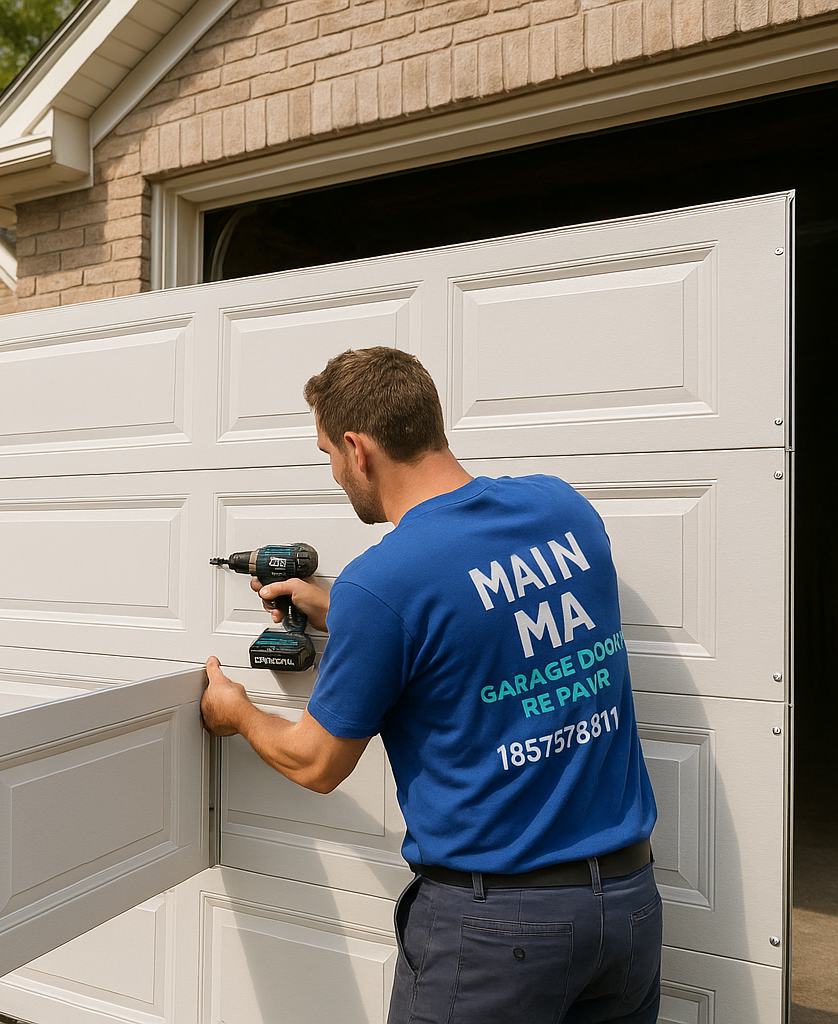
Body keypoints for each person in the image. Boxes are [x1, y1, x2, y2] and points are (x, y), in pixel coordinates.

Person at [200, 347, 661, 1023]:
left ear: (358, 449)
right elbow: (489, 621)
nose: (334, 473)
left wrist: (235, 711)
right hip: (627, 909)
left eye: (327, 453)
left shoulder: (383, 583)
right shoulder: (564, 509)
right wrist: (344, 610)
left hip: (498, 934)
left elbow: (316, 762)